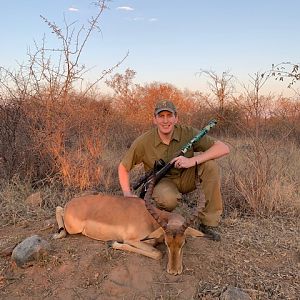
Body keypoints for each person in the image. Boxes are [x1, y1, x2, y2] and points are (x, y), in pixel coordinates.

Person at [118, 99, 230, 241]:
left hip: (186, 177)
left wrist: (192, 161)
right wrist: (127, 193)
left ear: (176, 118)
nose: (165, 121)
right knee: (168, 199)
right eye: (161, 116)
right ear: (154, 119)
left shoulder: (188, 133)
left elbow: (223, 148)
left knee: (210, 167)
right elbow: (123, 167)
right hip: (163, 183)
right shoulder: (144, 141)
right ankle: (164, 223)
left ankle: (208, 223)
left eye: (169, 116)